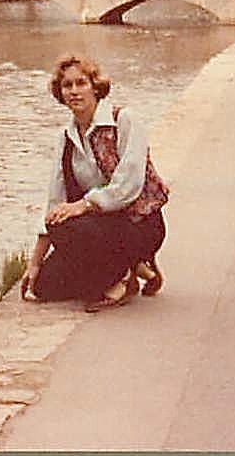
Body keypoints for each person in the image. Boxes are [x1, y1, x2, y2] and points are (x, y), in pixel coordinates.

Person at [20, 54, 169, 313]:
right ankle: (134, 267)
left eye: (81, 83)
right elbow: (54, 202)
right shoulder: (66, 138)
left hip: (139, 223)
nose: (74, 91)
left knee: (88, 280)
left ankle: (123, 277)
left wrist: (84, 205)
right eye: (68, 85)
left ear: (95, 87)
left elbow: (129, 186)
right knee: (45, 287)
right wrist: (34, 263)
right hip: (98, 229)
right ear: (60, 92)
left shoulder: (124, 120)